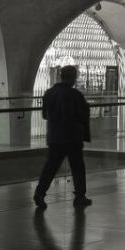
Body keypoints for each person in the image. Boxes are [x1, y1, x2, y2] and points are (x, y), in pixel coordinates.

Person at [33, 65, 92, 208]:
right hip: (73, 137)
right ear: (73, 77)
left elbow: (45, 115)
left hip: (55, 137)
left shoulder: (49, 93)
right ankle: (80, 196)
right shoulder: (75, 95)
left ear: (61, 76)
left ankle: (39, 193)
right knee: (77, 167)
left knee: (51, 167)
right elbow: (83, 114)